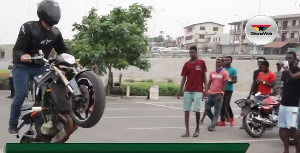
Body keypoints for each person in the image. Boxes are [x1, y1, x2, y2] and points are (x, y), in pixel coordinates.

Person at [8, 0, 70, 135]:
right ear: (43, 13)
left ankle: (49, 118)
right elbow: (17, 50)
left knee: (51, 91)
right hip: (22, 67)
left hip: (41, 67)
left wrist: (71, 59)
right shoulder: (28, 28)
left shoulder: (56, 32)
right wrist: (23, 55)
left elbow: (63, 50)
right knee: (21, 94)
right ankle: (12, 124)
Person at [177, 46, 207, 137]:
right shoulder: (187, 64)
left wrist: (205, 89)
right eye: (190, 52)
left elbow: (204, 77)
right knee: (186, 110)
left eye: (193, 52)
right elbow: (184, 77)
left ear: (196, 53)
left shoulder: (201, 63)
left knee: (197, 110)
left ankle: (197, 129)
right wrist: (180, 90)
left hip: (198, 90)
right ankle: (187, 131)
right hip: (188, 90)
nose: (191, 54)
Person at [278, 51, 300, 153]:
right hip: (284, 102)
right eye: (286, 58)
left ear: (295, 60)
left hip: (293, 104)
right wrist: (281, 90)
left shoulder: (298, 71)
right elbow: (285, 83)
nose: (288, 60)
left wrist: (287, 70)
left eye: (290, 58)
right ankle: (286, 150)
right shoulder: (284, 73)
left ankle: (297, 149)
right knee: (284, 129)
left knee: (293, 128)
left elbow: (292, 77)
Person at [205, 58, 229, 131]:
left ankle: (212, 125)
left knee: (217, 111)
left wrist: (221, 94)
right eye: (216, 62)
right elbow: (209, 82)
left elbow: (225, 84)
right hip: (211, 93)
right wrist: (206, 91)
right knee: (207, 108)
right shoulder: (212, 72)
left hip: (218, 94)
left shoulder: (224, 73)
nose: (217, 63)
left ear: (222, 63)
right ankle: (214, 121)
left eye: (219, 62)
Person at [217, 56, 237, 126]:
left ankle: (231, 117)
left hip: (229, 90)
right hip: (222, 89)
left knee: (226, 104)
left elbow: (235, 80)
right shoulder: (223, 69)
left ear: (231, 61)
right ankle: (222, 120)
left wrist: (229, 80)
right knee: (221, 105)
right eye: (226, 60)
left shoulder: (233, 70)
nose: (227, 61)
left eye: (228, 60)